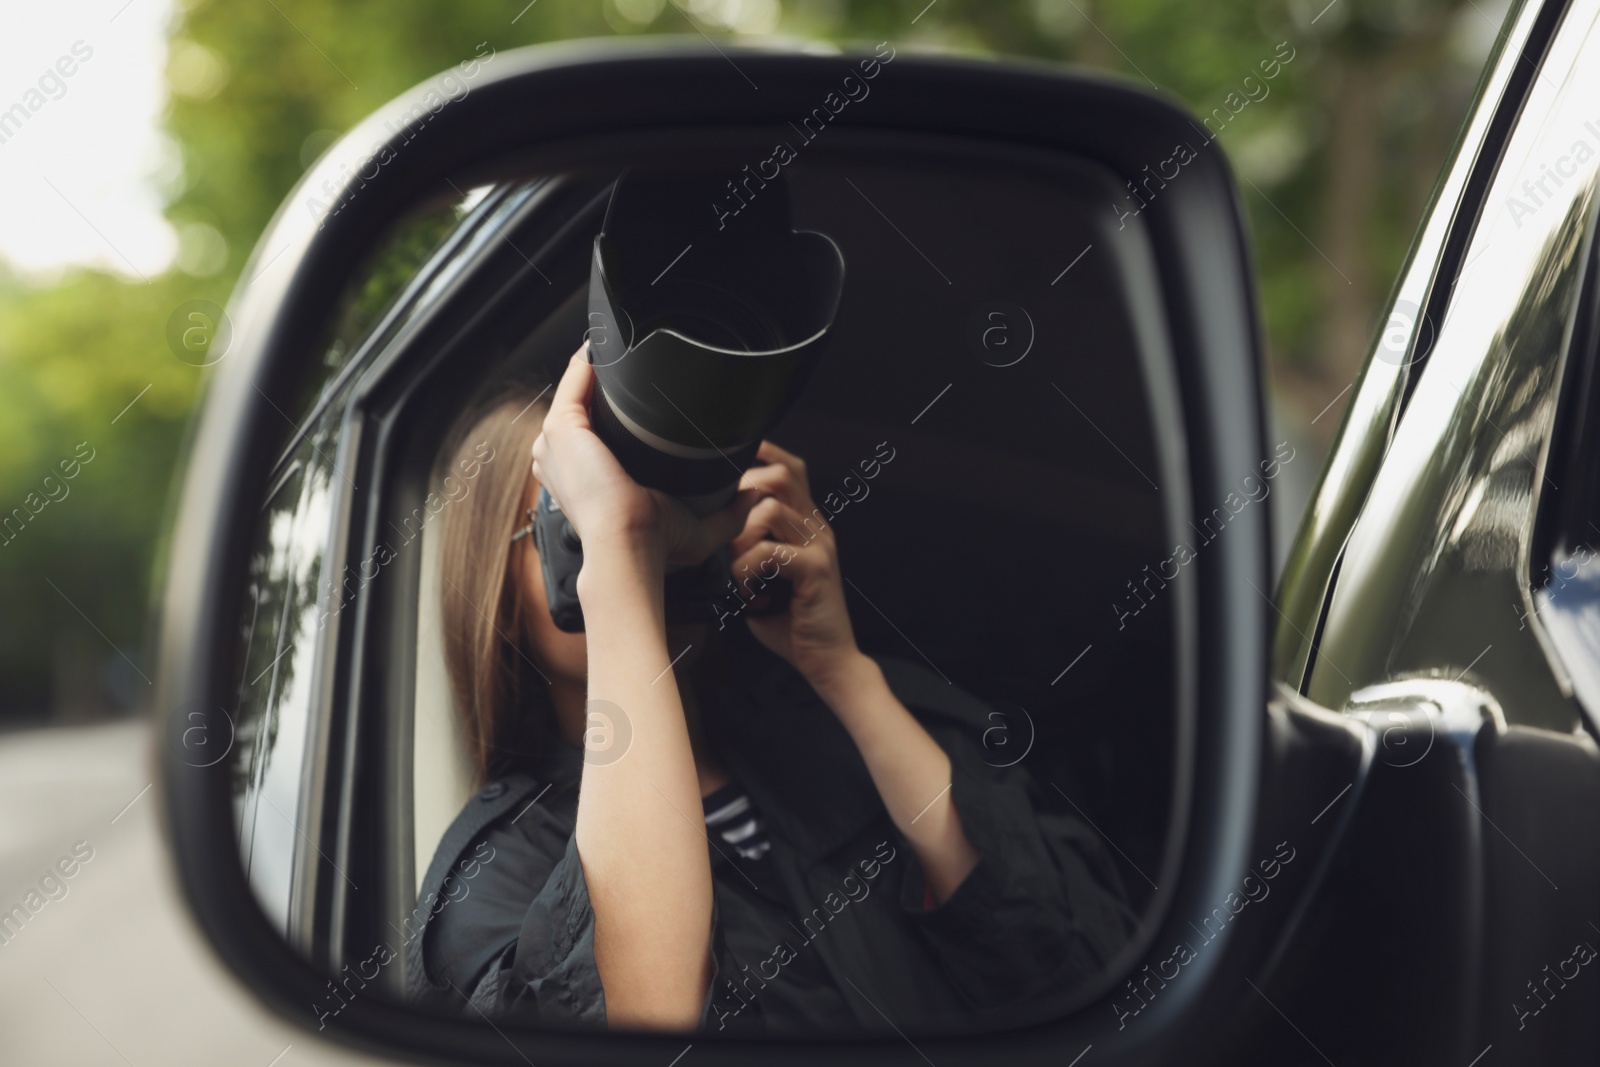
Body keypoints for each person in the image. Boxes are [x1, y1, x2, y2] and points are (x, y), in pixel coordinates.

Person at [407, 345, 1137, 1035]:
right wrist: (620, 554)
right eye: (568, 516)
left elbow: (1068, 965)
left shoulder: (822, 752)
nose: (641, 527)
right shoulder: (493, 878)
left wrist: (841, 670)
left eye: (654, 501)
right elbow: (645, 1025)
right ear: (495, 602)